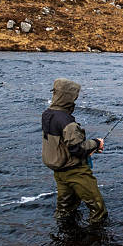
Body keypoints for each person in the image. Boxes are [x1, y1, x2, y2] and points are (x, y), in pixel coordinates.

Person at [41, 78, 107, 225]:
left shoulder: (47, 114)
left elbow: (61, 144)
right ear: (68, 97)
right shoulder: (67, 122)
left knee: (65, 209)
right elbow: (77, 148)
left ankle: (63, 236)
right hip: (75, 172)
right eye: (75, 96)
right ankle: (95, 240)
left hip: (59, 171)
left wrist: (87, 150)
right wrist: (96, 143)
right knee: (98, 209)